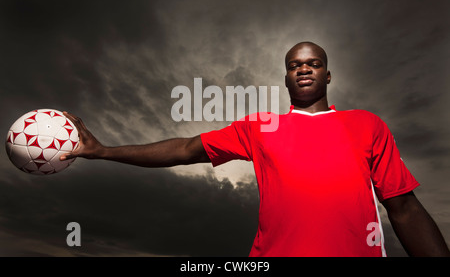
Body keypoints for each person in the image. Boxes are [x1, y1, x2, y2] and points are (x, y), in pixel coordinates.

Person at [61, 42, 450, 257]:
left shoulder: (366, 124)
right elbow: (183, 149)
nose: (303, 68)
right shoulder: (263, 128)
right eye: (295, 64)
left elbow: (404, 208)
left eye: (313, 63)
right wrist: (104, 151)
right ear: (285, 77)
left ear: (327, 75)